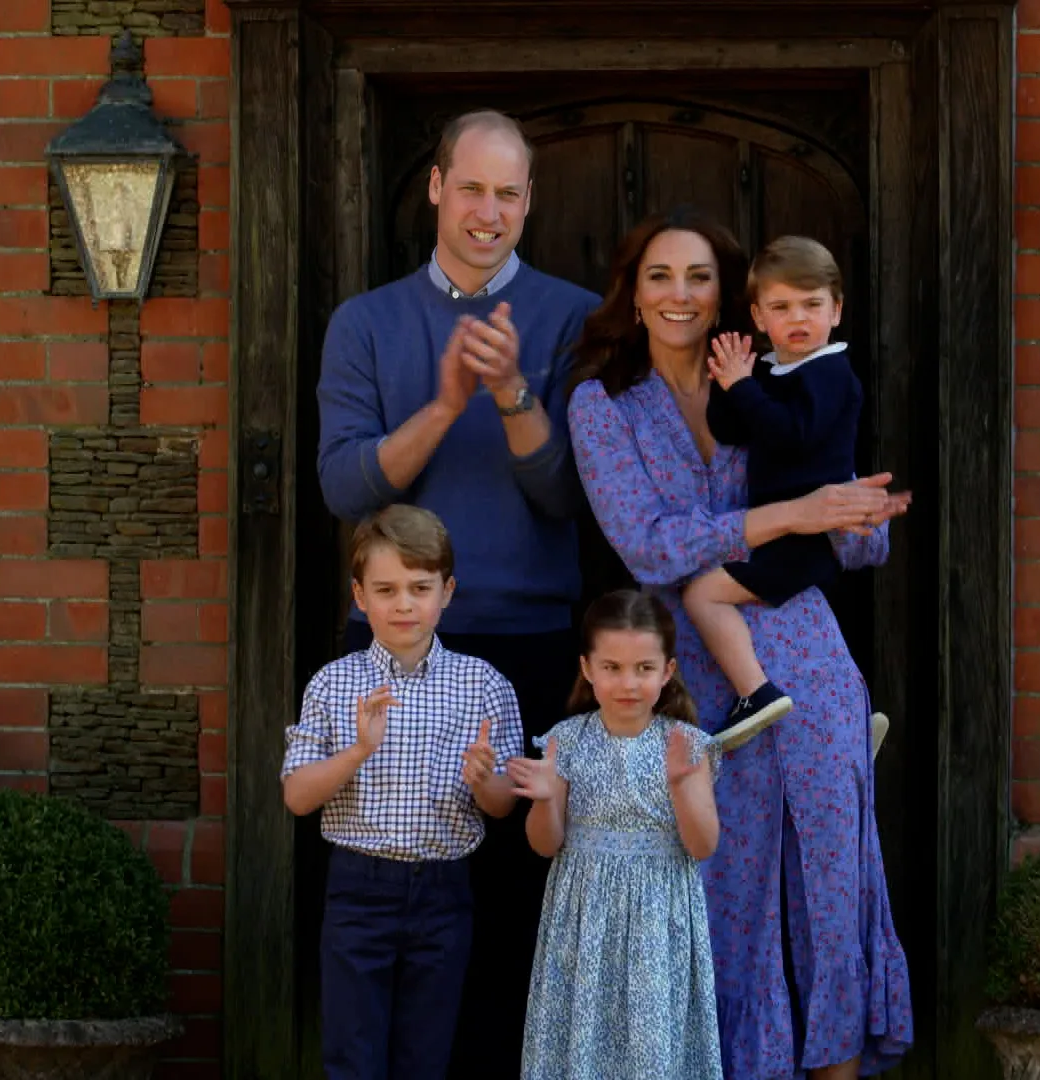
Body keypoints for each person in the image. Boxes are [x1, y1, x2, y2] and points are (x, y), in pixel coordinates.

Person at [567, 207, 914, 1080]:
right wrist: (793, 514)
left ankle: (838, 1066)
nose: (679, 294)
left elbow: (846, 529)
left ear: (731, 298)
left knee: (834, 881)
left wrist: (860, 514)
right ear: (633, 294)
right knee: (722, 892)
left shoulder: (776, 372)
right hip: (690, 670)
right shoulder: (602, 403)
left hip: (807, 646)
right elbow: (647, 544)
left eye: (698, 277)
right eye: (660, 276)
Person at [314, 108, 598, 1076]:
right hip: (395, 648)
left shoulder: (574, 318)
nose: (487, 211)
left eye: (507, 193)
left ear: (529, 202)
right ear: (435, 188)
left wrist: (514, 392)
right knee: (388, 908)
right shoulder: (366, 323)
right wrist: (443, 404)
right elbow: (346, 487)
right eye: (470, 188)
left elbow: (569, 495)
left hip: (526, 643)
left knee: (513, 911)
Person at [280, 505, 523, 1080]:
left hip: (443, 891)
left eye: (420, 588)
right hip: (358, 889)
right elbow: (296, 797)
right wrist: (358, 751)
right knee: (352, 1054)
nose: (404, 604)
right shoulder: (334, 683)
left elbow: (503, 805)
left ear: (448, 591)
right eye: (386, 589)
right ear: (360, 596)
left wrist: (483, 779)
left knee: (425, 1055)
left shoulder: (483, 684)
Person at [508, 589, 723, 1080]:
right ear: (587, 668)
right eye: (612, 667)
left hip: (658, 919)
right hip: (583, 919)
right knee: (583, 1041)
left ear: (667, 670)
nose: (628, 683)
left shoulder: (687, 744)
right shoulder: (567, 739)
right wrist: (544, 797)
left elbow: (703, 846)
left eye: (644, 669)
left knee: (652, 1048)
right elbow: (545, 844)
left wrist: (683, 787)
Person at [684, 236, 866, 751]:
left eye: (812, 305)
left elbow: (792, 435)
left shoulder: (831, 372)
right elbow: (731, 429)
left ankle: (755, 693)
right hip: (780, 531)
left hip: (805, 538)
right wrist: (729, 382)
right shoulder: (772, 369)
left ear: (836, 309)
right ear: (760, 318)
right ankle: (842, 720)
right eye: (782, 307)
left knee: (702, 593)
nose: (799, 318)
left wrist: (745, 387)